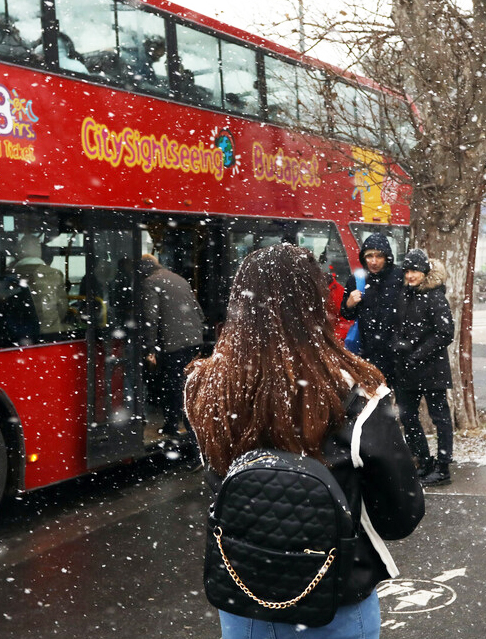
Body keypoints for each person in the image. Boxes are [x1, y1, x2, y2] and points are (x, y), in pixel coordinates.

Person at [183, 244, 424, 639]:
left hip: (242, 590)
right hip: (337, 596)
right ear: (314, 304)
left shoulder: (201, 385)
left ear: (238, 304)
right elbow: (401, 515)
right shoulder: (360, 392)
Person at [391, 249, 455, 486]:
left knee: (440, 418)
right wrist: (398, 346)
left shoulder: (435, 297)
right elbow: (399, 326)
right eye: (407, 271)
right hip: (406, 369)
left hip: (431, 370)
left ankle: (443, 466)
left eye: (415, 270)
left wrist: (418, 353)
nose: (410, 275)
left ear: (424, 271)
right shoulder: (405, 294)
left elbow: (446, 333)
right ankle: (424, 460)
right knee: (408, 417)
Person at [139, 254, 205, 436]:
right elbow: (199, 312)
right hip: (193, 339)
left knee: (172, 384)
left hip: (173, 342)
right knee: (185, 383)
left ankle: (171, 425)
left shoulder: (150, 283)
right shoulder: (179, 279)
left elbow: (150, 319)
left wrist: (149, 348)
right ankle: (191, 425)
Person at [339, 233, 405, 386]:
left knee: (401, 404)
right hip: (367, 351)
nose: (373, 261)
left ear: (387, 257)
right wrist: (349, 304)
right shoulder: (357, 279)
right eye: (369, 256)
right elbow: (347, 314)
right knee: (374, 401)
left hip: (396, 353)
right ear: (363, 258)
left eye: (379, 256)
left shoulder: (400, 277)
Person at [10, 235, 70, 335]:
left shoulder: (9, 275)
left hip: (18, 336)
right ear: (39, 252)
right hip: (51, 333)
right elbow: (62, 309)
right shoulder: (55, 274)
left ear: (18, 253)